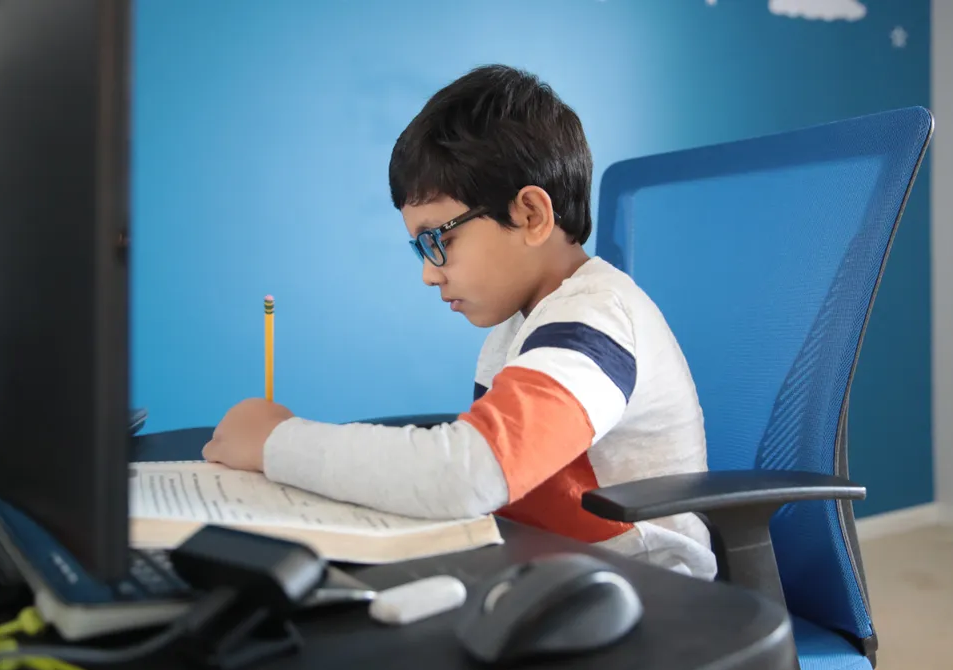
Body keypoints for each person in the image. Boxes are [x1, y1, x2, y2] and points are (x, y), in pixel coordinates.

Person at [202, 64, 715, 579]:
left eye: (439, 241)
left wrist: (276, 442)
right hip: (549, 574)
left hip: (647, 597)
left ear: (531, 215)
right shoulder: (519, 326)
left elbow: (473, 471)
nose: (428, 274)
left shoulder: (596, 319)